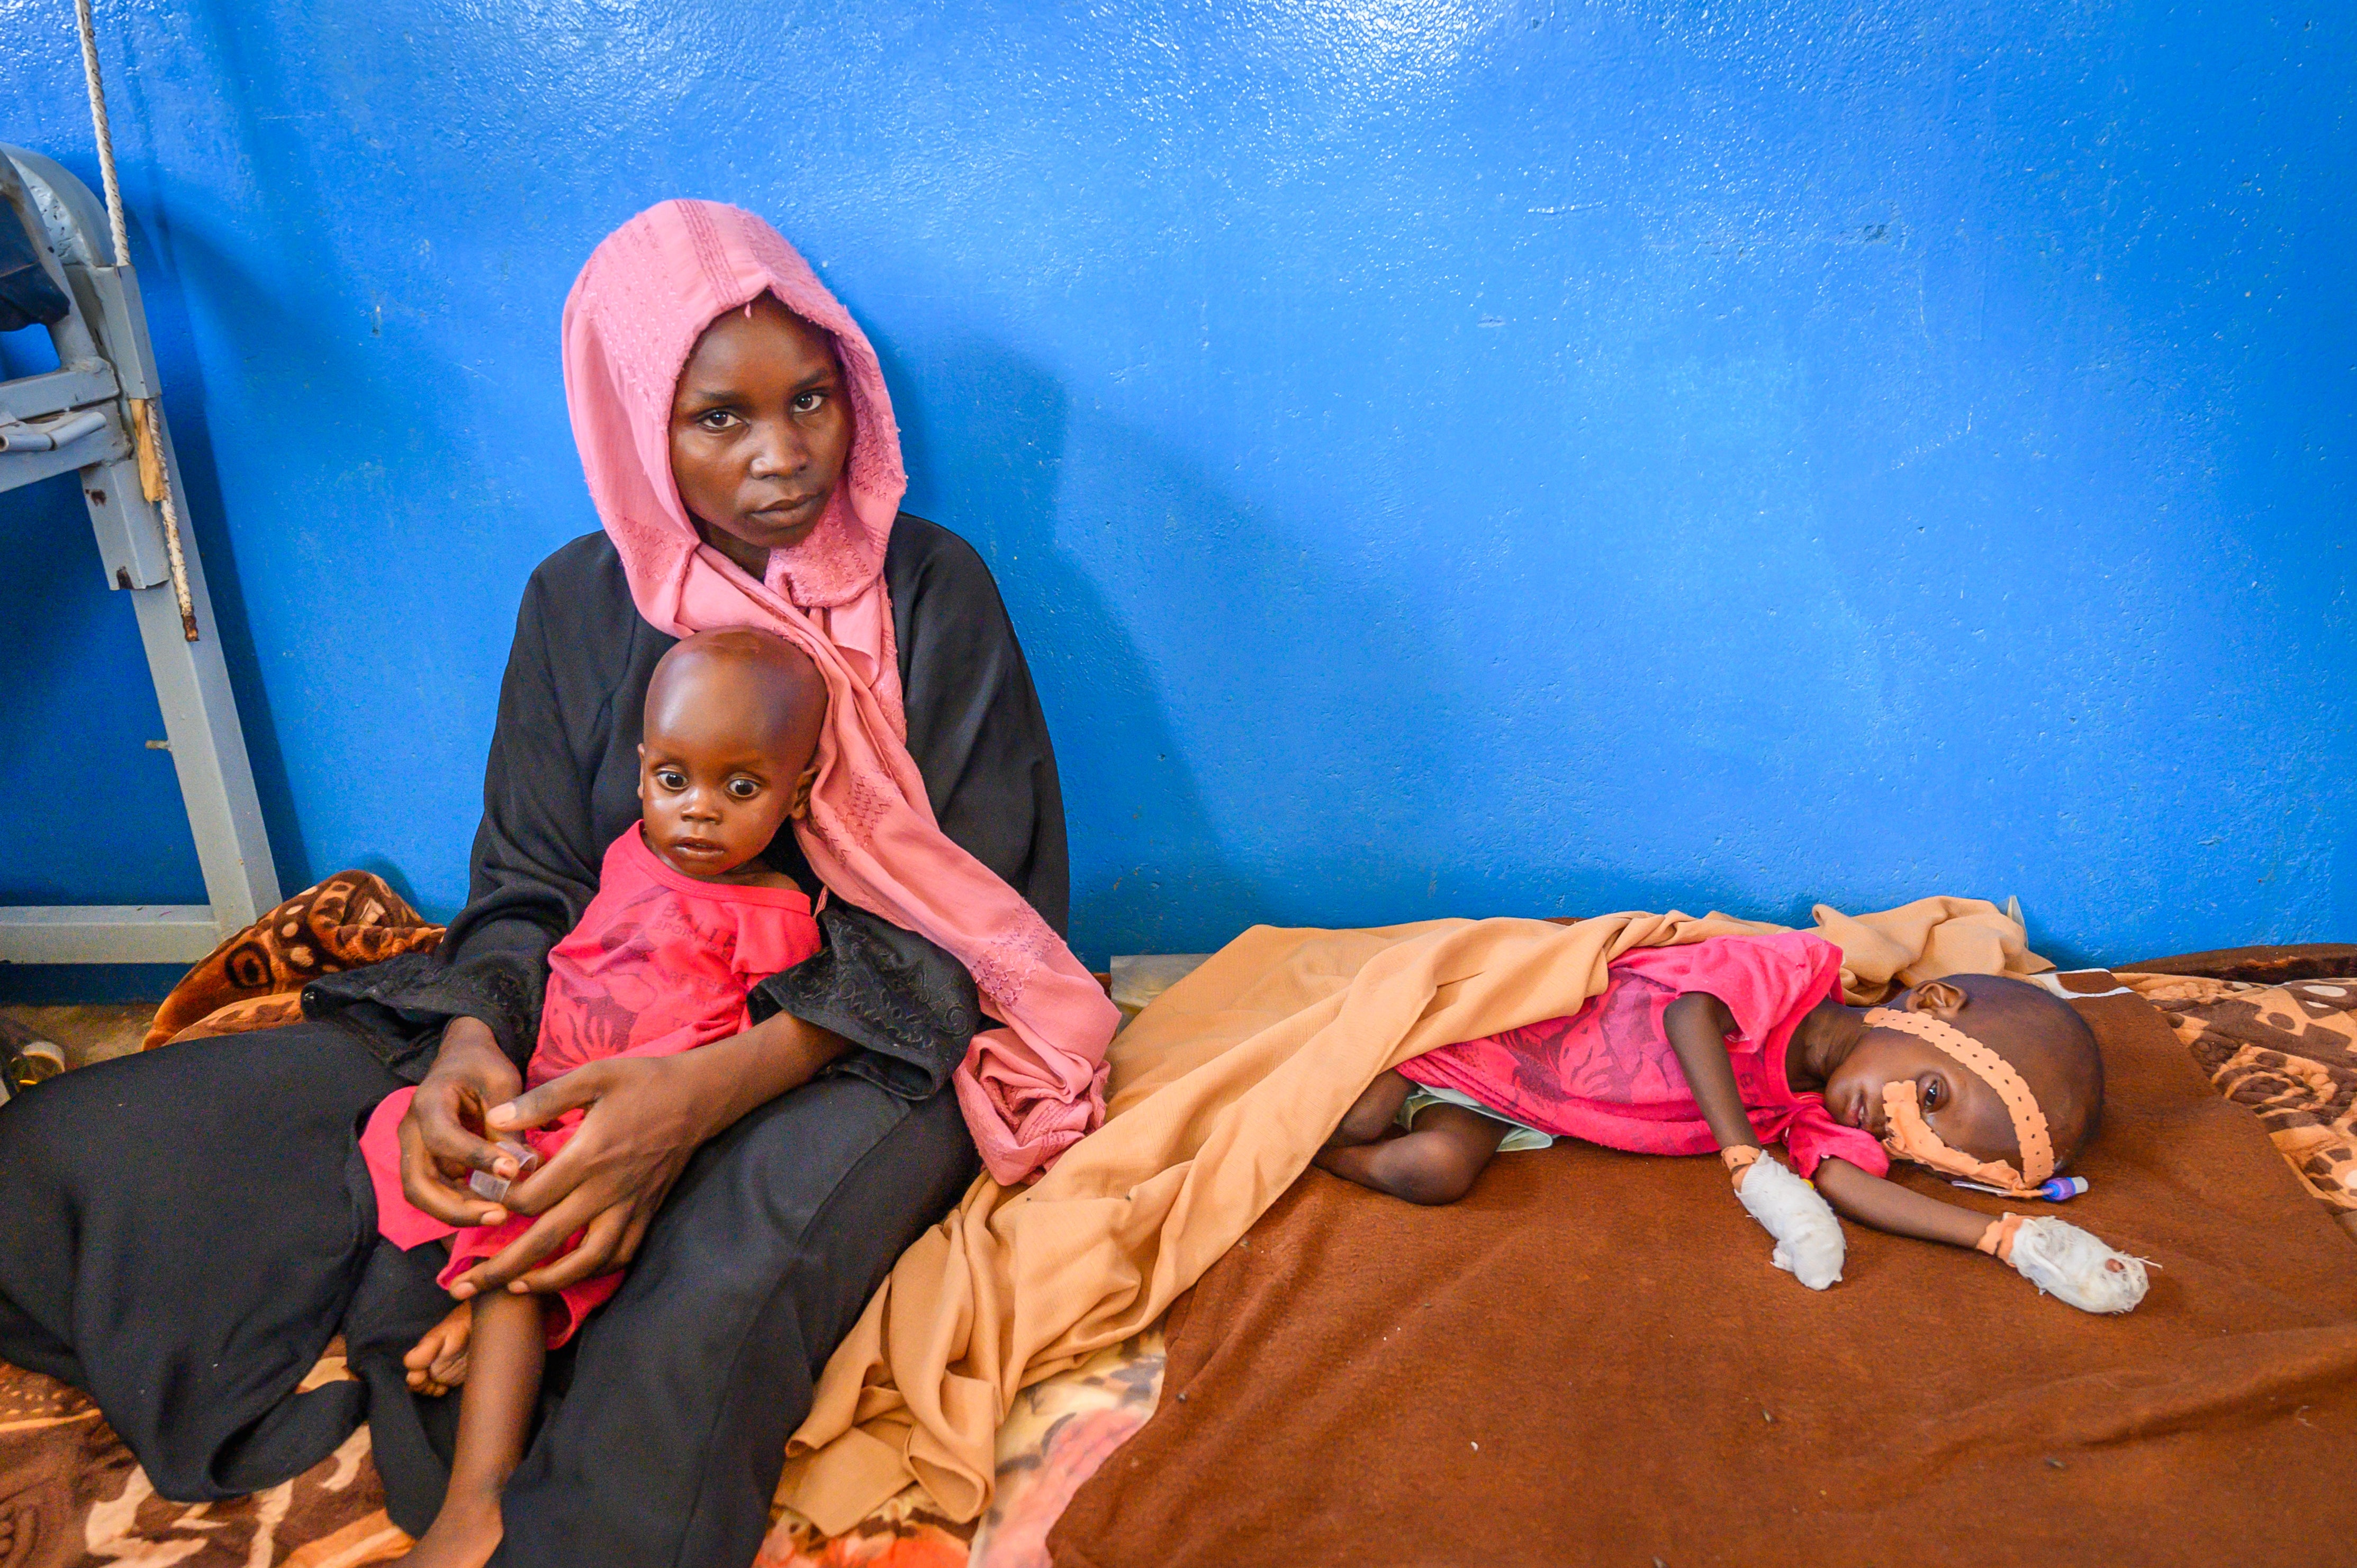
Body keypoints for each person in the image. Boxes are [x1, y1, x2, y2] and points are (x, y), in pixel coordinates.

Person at [0, 200, 1115, 1568]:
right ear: (635, 417)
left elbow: (984, 916)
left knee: (708, 1297)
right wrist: (472, 1040)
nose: (782, 455)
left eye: (812, 399)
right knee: (94, 1153)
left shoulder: (931, 591)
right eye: (720, 417)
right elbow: (527, 874)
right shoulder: (578, 604)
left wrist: (704, 1093)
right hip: (597, 1003)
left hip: (846, 1039)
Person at [368, 628, 828, 1567]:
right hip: (541, 1089)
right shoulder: (627, 853)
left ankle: (477, 1496)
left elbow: (756, 1047)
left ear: (799, 794)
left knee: (517, 1230)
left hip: (624, 1129)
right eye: (675, 781)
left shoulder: (778, 915)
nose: (699, 813)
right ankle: (487, 1307)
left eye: (741, 790)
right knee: (404, 1143)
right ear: (640, 773)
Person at [1315, 931, 2150, 1313]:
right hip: (1494, 1035)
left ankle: (1319, 1157)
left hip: (1514, 1106)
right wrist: (1741, 1155)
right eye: (1929, 1097)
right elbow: (1689, 1018)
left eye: (1922, 1144)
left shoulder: (1802, 1116)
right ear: (1928, 1006)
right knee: (1359, 1112)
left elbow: (1844, 1185)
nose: (1897, 1130)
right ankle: (1343, 1102)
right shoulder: (1789, 973)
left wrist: (1999, 1239)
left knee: (1430, 1173)